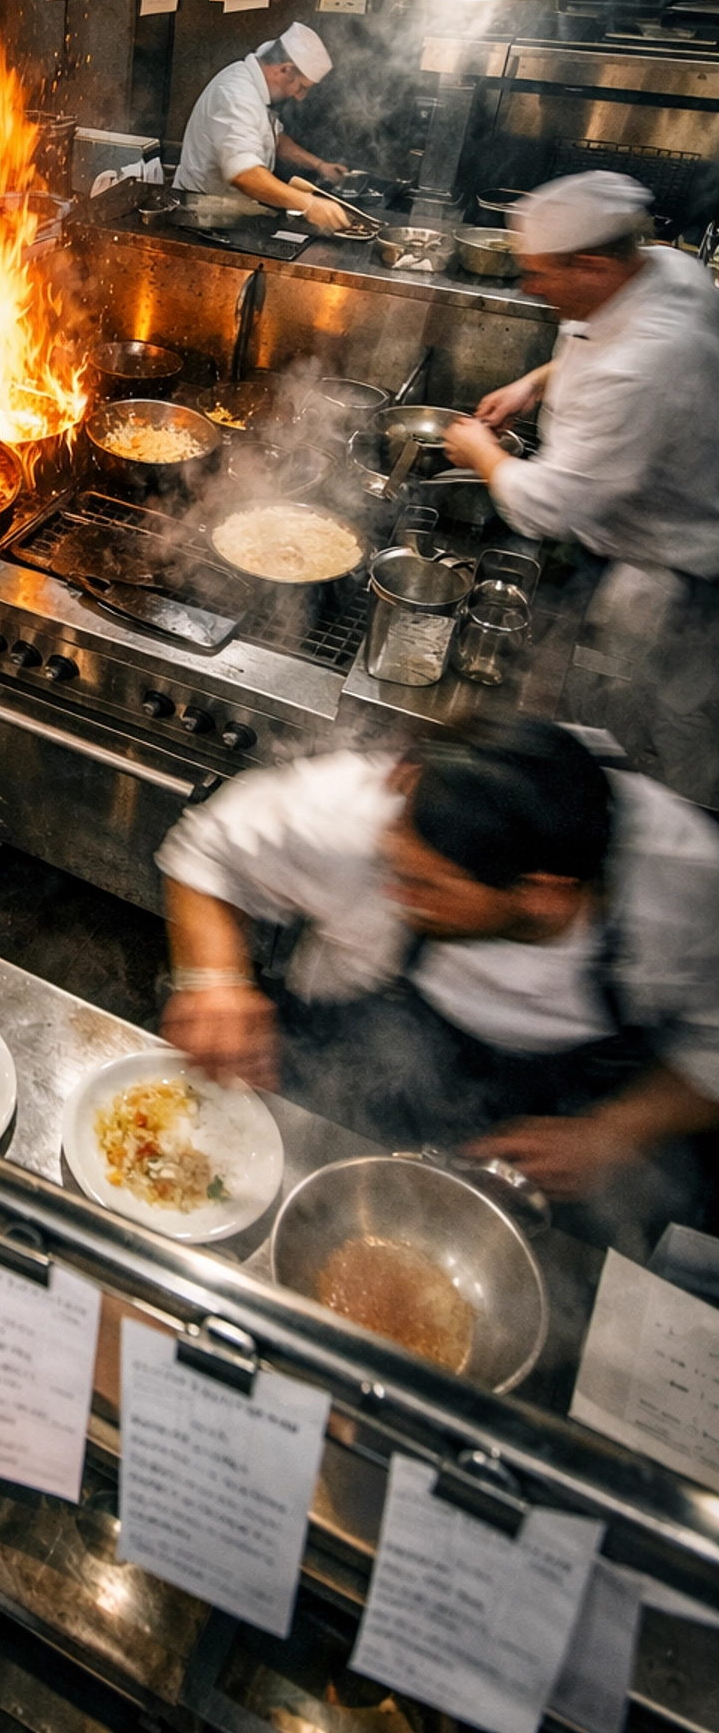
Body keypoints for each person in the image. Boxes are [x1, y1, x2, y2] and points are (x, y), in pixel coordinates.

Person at [158, 719, 719, 1253]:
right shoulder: (362, 814)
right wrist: (215, 981)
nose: (395, 893)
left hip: (543, 1146)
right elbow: (211, 849)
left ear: (546, 893)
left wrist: (617, 1131)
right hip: (332, 1078)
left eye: (426, 886)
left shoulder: (687, 887)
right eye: (396, 865)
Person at [443, 171, 719, 809]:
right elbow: (590, 339)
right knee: (615, 702)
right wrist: (535, 383)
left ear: (593, 264)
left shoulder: (644, 364)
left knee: (670, 725)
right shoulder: (664, 270)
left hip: (671, 571)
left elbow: (548, 507)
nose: (528, 287)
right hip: (634, 540)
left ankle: (669, 836)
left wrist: (480, 453)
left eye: (540, 273)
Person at [174, 23, 354, 235]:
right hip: (202, 222)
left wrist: (319, 165)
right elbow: (243, 173)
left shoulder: (256, 87)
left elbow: (274, 138)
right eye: (301, 86)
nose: (300, 96)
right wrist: (308, 204)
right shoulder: (235, 95)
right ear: (285, 69)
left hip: (231, 216)